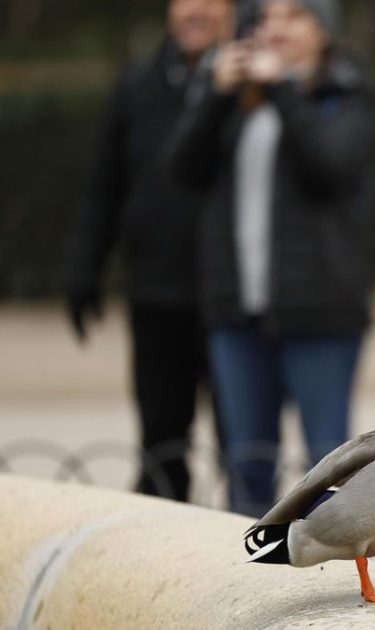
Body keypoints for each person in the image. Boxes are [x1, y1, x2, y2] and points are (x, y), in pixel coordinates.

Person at [166, 0, 373, 517]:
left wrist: (284, 88)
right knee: (246, 463)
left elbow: (330, 170)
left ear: (323, 33)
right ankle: (255, 585)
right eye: (264, 19)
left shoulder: (345, 97)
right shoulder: (237, 106)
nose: (275, 28)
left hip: (319, 312)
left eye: (293, 16)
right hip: (238, 314)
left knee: (327, 463)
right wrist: (215, 97)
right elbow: (179, 172)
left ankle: (328, 586)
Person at [66, 0, 235, 502]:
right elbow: (104, 185)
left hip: (231, 296)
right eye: (185, 1)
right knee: (162, 437)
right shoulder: (137, 87)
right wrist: (85, 266)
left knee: (242, 440)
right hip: (157, 291)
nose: (196, 12)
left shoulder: (251, 86)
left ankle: (244, 562)